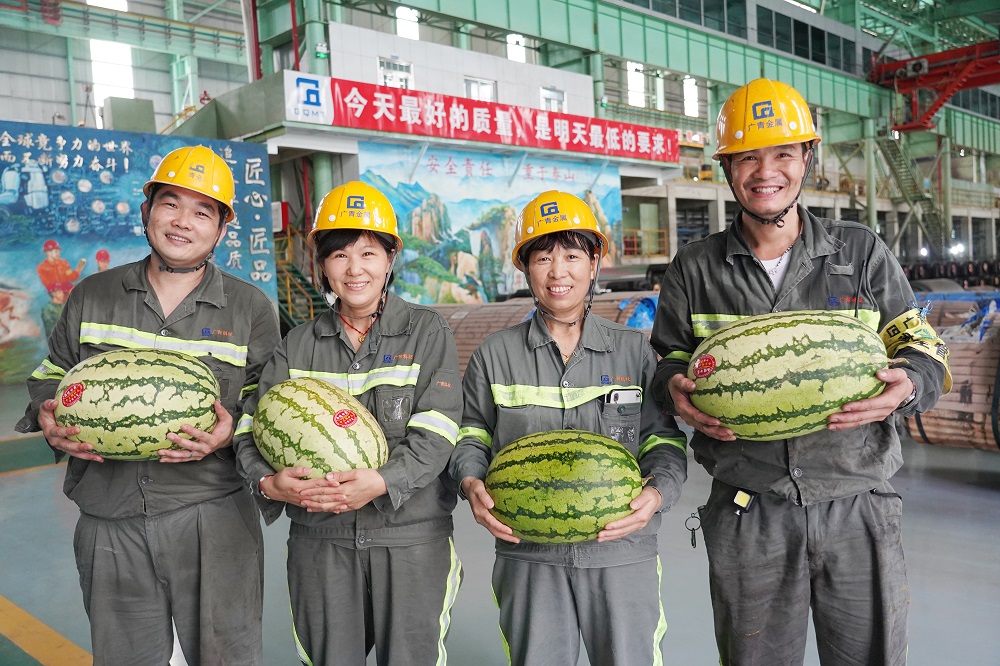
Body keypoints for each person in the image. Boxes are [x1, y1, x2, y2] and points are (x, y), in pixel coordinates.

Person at [649, 78, 952, 666]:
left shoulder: (860, 252)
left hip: (856, 502)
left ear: (807, 158)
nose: (767, 172)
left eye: (783, 153)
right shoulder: (694, 268)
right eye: (747, 157)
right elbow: (668, 359)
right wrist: (675, 390)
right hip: (749, 509)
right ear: (727, 167)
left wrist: (910, 383)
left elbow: (923, 348)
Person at [16, 145, 281, 665]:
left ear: (221, 230)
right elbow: (50, 375)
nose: (182, 222)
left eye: (202, 211)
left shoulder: (250, 307)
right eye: (170, 203)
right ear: (147, 211)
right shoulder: (92, 294)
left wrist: (231, 431)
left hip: (212, 514)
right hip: (108, 513)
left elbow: (266, 399)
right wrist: (48, 411)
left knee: (226, 656)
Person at [451, 190, 688, 666]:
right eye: (543, 258)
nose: (558, 272)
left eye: (572, 256)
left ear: (594, 263)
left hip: (621, 548)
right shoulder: (495, 354)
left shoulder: (633, 351)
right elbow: (471, 433)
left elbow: (662, 439)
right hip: (527, 550)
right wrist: (470, 481)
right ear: (526, 268)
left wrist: (657, 493)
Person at [233, 181, 463, 666]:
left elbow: (439, 427)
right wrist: (269, 483)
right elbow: (250, 427)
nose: (355, 269)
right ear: (322, 265)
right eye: (339, 255)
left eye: (368, 253)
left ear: (390, 258)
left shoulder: (428, 332)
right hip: (320, 540)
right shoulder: (296, 345)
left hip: (410, 536)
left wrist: (382, 480)